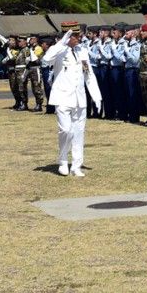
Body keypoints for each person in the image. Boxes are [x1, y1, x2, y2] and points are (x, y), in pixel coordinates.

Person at [43, 22, 102, 177]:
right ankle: (62, 159)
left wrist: (96, 96)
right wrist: (62, 42)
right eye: (75, 36)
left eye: (78, 35)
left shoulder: (82, 50)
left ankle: (76, 165)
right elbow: (46, 59)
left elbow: (88, 74)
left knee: (78, 132)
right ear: (67, 36)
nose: (79, 38)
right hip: (62, 96)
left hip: (79, 97)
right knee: (66, 130)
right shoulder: (58, 50)